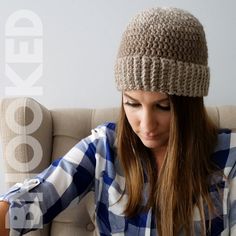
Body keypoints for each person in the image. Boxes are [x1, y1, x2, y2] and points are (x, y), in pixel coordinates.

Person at [0, 6, 235, 236]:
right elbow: (37, 199)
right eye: (132, 103)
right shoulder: (103, 148)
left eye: (163, 107)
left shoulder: (229, 157)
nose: (146, 125)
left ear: (190, 105)